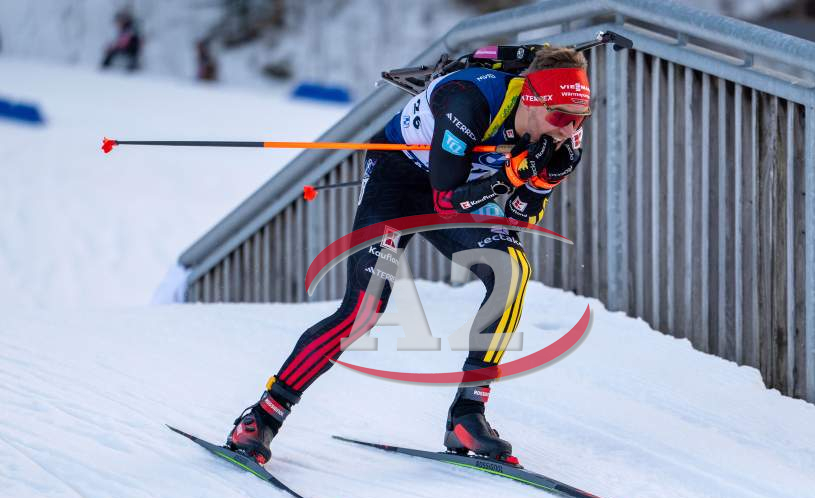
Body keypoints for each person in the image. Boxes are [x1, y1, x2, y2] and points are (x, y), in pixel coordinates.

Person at [225, 46, 590, 465]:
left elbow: (519, 217)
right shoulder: (469, 99)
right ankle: (264, 415)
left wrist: (543, 183)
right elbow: (445, 198)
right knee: (362, 311)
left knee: (512, 269)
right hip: (398, 186)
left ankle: (467, 415)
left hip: (459, 193)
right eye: (560, 117)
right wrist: (510, 174)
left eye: (579, 119)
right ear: (531, 98)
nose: (568, 129)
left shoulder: (564, 136)